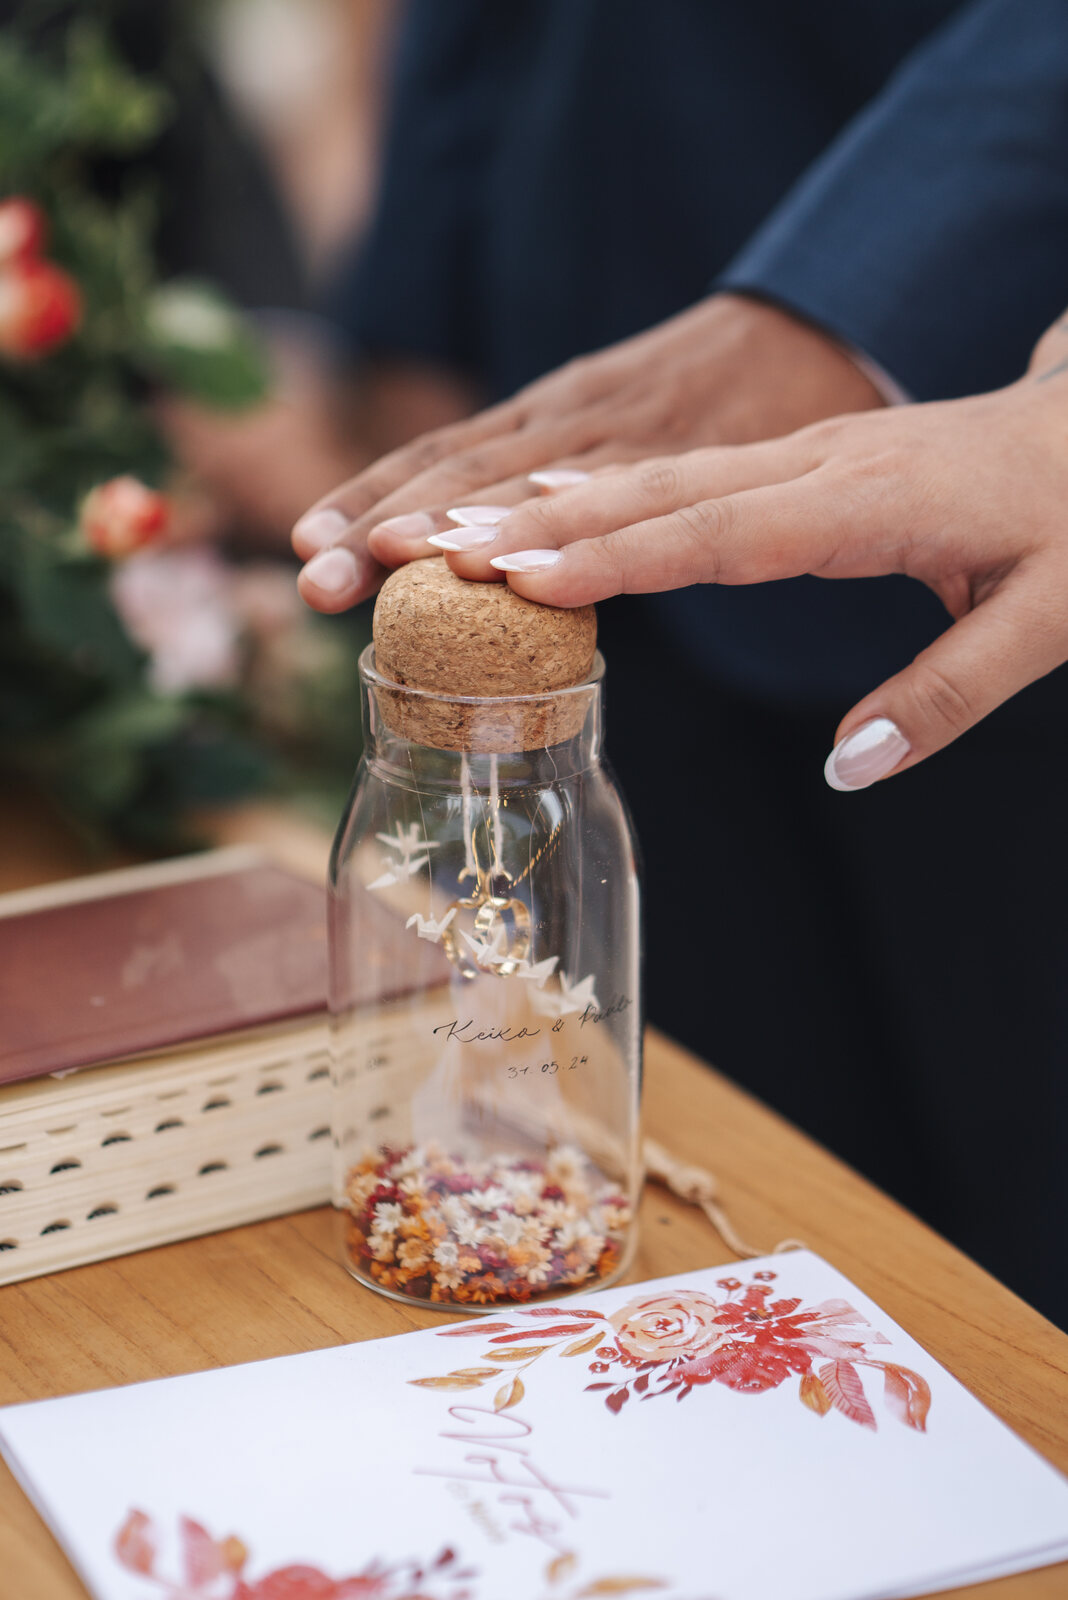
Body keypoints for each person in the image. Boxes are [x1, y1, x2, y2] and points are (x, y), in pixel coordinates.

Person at [291, 0, 1068, 1324]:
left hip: (973, 490)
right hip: (600, 516)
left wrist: (854, 296)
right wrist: (413, 300)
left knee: (1008, 1252)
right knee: (733, 1232)